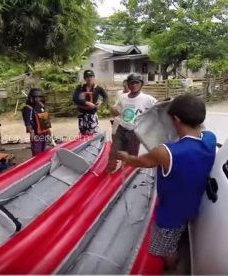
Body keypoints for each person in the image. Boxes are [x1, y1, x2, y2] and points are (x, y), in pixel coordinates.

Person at [116, 94, 216, 271]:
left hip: (170, 215)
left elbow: (140, 162)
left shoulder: (166, 152)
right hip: (192, 205)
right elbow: (197, 133)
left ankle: (171, 268)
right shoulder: (210, 138)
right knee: (179, 232)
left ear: (176, 120)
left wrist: (126, 157)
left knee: (165, 249)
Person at [107, 73, 157, 172]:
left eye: (136, 83)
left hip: (135, 132)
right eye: (131, 83)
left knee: (130, 158)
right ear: (128, 84)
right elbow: (116, 109)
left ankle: (126, 178)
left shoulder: (148, 99)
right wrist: (113, 110)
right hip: (121, 130)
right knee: (113, 153)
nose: (134, 85)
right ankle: (107, 177)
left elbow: (158, 108)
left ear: (141, 84)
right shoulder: (123, 97)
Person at [72, 69, 108, 135]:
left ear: (94, 77)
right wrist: (86, 103)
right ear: (84, 78)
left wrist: (101, 102)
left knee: (93, 132)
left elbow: (105, 97)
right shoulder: (80, 88)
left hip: (92, 114)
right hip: (82, 114)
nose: (89, 79)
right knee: (83, 132)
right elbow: (75, 98)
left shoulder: (98, 88)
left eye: (91, 77)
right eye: (87, 77)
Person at [22, 88, 52, 156]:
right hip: (36, 134)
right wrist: (32, 134)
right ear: (32, 98)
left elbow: (45, 119)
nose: (38, 99)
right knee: (37, 153)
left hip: (44, 132)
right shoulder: (28, 108)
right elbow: (28, 123)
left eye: (39, 97)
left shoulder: (41, 105)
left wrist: (49, 131)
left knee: (44, 151)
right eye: (36, 97)